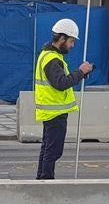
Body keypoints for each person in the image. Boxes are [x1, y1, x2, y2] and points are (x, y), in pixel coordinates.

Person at [34, 18, 93, 180]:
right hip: (55, 112)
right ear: (62, 39)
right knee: (53, 151)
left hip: (52, 110)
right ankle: (46, 180)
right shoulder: (52, 59)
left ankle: (42, 179)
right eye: (71, 41)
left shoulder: (49, 55)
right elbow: (61, 83)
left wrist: (81, 74)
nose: (72, 45)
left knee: (48, 148)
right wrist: (80, 72)